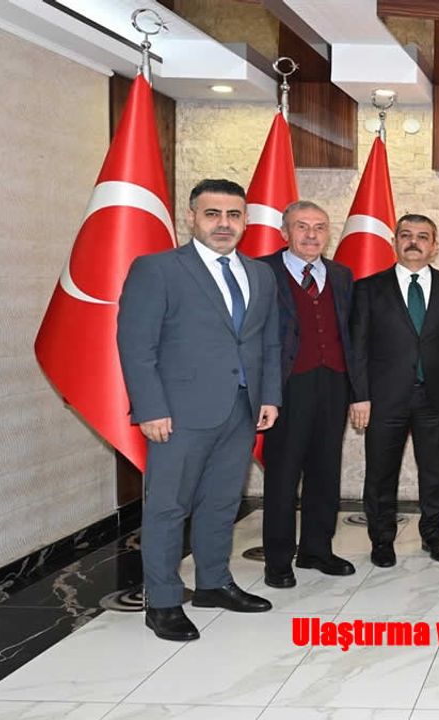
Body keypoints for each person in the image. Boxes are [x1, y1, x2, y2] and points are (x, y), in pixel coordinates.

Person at [118, 178, 281, 642]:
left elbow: (267, 341)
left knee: (222, 502)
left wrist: (269, 396)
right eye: (212, 214)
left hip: (241, 409)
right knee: (169, 507)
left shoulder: (260, 274)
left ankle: (213, 583)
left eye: (233, 215)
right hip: (179, 413)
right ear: (191, 217)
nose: (223, 224)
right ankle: (163, 601)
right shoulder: (158, 269)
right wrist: (150, 407)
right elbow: (136, 345)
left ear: (245, 221)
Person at [349, 214, 439, 565]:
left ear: (435, 246)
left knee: (435, 471)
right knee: (380, 472)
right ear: (395, 242)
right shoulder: (369, 287)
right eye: (406, 235)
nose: (414, 242)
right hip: (384, 398)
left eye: (422, 236)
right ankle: (381, 539)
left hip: (437, 396)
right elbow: (358, 347)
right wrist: (360, 396)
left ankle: (433, 535)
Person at [258, 201, 356, 588]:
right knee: (283, 475)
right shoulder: (262, 271)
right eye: (302, 226)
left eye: (319, 227)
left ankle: (317, 549)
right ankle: (278, 560)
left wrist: (357, 390)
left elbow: (348, 334)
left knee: (325, 470)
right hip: (285, 386)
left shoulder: (342, 275)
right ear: (285, 232)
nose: (311, 235)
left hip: (333, 383)